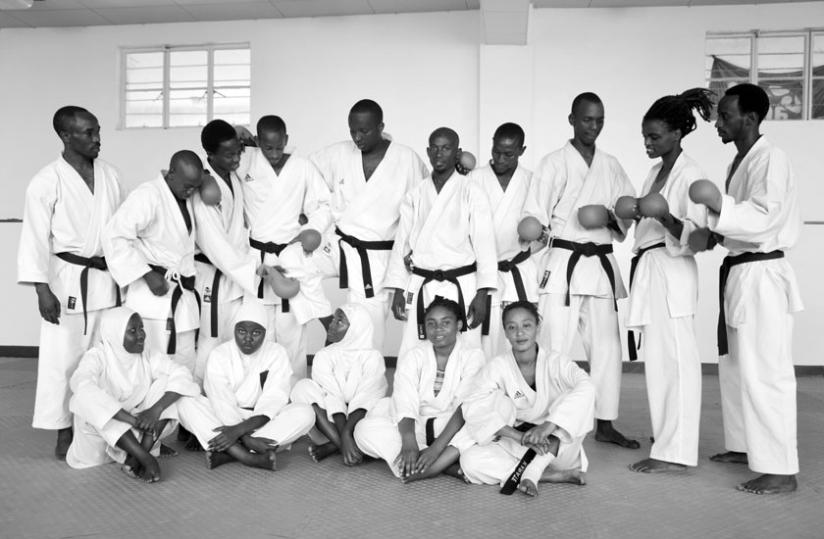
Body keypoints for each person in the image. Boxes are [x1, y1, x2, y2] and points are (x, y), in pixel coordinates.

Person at [689, 83, 802, 495]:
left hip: (762, 276)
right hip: (740, 271)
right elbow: (737, 223)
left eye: (725, 116)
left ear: (750, 119)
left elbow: (764, 217)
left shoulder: (771, 159)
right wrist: (713, 235)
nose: (719, 123)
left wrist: (719, 208)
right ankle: (744, 446)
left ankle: (780, 468)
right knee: (737, 367)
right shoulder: (741, 160)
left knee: (766, 372)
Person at [521, 92, 638, 449]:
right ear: (572, 119)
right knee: (554, 344)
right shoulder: (553, 163)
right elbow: (534, 215)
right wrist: (540, 234)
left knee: (606, 348)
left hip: (600, 266)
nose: (594, 126)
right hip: (564, 267)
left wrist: (609, 217)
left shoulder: (611, 164)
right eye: (587, 119)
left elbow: (626, 210)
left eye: (599, 120)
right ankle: (545, 418)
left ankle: (605, 421)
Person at [18, 106, 123, 459]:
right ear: (66, 136)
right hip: (66, 283)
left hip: (105, 280)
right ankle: (63, 430)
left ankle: (98, 426)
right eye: (89, 132)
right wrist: (41, 289)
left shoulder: (110, 174)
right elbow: (34, 238)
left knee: (104, 358)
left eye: (98, 131)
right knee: (62, 360)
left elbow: (120, 231)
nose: (97, 139)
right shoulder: (45, 181)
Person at [623, 89, 714, 474]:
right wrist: (631, 212)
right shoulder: (656, 171)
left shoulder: (690, 174)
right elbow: (647, 217)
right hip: (651, 267)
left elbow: (700, 239)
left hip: (672, 268)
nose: (647, 143)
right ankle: (667, 439)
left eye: (655, 136)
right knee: (659, 362)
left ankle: (675, 453)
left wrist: (663, 217)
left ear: (677, 133)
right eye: (645, 136)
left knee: (676, 361)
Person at [311, 99, 429, 350]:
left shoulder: (406, 159)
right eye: (352, 130)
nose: (357, 137)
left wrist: (412, 257)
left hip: (378, 258)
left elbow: (425, 207)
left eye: (364, 131)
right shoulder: (339, 153)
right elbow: (302, 172)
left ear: (381, 127)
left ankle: (365, 382)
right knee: (291, 264)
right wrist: (308, 212)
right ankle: (329, 323)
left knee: (366, 330)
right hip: (340, 244)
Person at [65, 307, 216, 482]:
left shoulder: (147, 354)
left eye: (141, 328)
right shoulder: (97, 357)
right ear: (115, 334)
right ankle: (145, 457)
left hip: (138, 430)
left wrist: (155, 411)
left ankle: (137, 455)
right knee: (86, 397)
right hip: (97, 447)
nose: (141, 335)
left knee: (167, 382)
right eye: (132, 331)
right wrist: (131, 420)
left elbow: (182, 373)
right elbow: (81, 384)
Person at [460, 301, 595, 497]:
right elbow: (473, 406)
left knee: (577, 394)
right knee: (470, 461)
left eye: (526, 325)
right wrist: (519, 438)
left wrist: (546, 428)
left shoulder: (556, 362)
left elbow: (587, 387)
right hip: (522, 445)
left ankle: (534, 472)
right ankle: (550, 476)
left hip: (560, 449)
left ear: (537, 327)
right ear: (505, 332)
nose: (519, 333)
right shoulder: (498, 366)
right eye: (512, 327)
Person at [385, 127, 497, 357]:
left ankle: (467, 394)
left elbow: (485, 244)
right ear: (427, 151)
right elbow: (402, 243)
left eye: (446, 148)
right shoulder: (416, 193)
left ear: (458, 153)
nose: (439, 153)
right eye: (434, 148)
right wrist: (398, 287)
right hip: (421, 281)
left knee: (467, 349)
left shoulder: (471, 191)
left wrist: (483, 293)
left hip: (462, 282)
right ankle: (414, 393)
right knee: (413, 348)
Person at [241, 115, 333, 380]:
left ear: (286, 141)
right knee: (256, 328)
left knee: (291, 331)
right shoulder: (245, 162)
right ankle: (257, 392)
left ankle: (293, 394)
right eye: (267, 147)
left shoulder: (302, 166)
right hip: (256, 258)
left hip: (290, 255)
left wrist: (310, 230)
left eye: (279, 147)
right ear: (257, 142)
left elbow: (323, 205)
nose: (273, 153)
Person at [354, 297, 484, 482]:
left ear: (459, 324)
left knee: (479, 422)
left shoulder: (473, 356)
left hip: (451, 428)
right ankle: (441, 465)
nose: (438, 329)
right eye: (431, 324)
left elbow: (464, 408)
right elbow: (405, 399)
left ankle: (426, 464)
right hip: (417, 426)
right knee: (364, 429)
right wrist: (409, 442)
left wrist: (435, 449)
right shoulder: (414, 355)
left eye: (445, 323)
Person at [102, 150, 204, 377]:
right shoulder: (149, 195)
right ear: (171, 174)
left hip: (181, 297)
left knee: (184, 365)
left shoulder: (183, 197)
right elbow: (114, 236)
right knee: (154, 366)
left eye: (195, 187)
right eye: (187, 185)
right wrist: (147, 275)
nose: (191, 192)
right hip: (153, 297)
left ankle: (178, 412)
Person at [201, 299, 315, 471]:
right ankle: (248, 451)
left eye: (255, 333)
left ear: (265, 333)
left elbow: (274, 399)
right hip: (225, 418)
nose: (247, 338)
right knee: (188, 403)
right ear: (234, 330)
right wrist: (240, 433)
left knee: (306, 413)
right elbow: (220, 399)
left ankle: (230, 450)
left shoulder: (277, 353)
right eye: (241, 331)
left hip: (260, 422)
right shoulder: (220, 354)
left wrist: (238, 431)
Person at [192, 120, 260, 384]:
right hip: (214, 276)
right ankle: (197, 401)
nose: (236, 159)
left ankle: (227, 398)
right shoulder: (205, 189)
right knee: (210, 343)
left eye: (238, 152)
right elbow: (215, 246)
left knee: (233, 342)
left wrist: (243, 135)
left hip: (235, 275)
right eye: (229, 154)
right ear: (210, 156)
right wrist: (254, 272)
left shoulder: (232, 176)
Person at [467, 123, 538, 358]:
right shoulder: (473, 178)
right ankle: (485, 393)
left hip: (519, 268)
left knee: (521, 340)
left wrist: (536, 236)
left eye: (508, 154)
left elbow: (544, 226)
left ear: (522, 150)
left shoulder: (532, 181)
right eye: (496, 151)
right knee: (483, 344)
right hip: (484, 272)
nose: (500, 158)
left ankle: (522, 392)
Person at [290, 303, 388, 465]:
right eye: (334, 319)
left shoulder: (373, 357)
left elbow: (366, 397)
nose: (331, 324)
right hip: (330, 424)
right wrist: (344, 439)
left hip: (361, 420)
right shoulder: (324, 355)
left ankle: (333, 447)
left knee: (388, 405)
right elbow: (332, 396)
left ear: (356, 329)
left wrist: (347, 432)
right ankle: (346, 446)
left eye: (339, 321)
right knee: (302, 388)